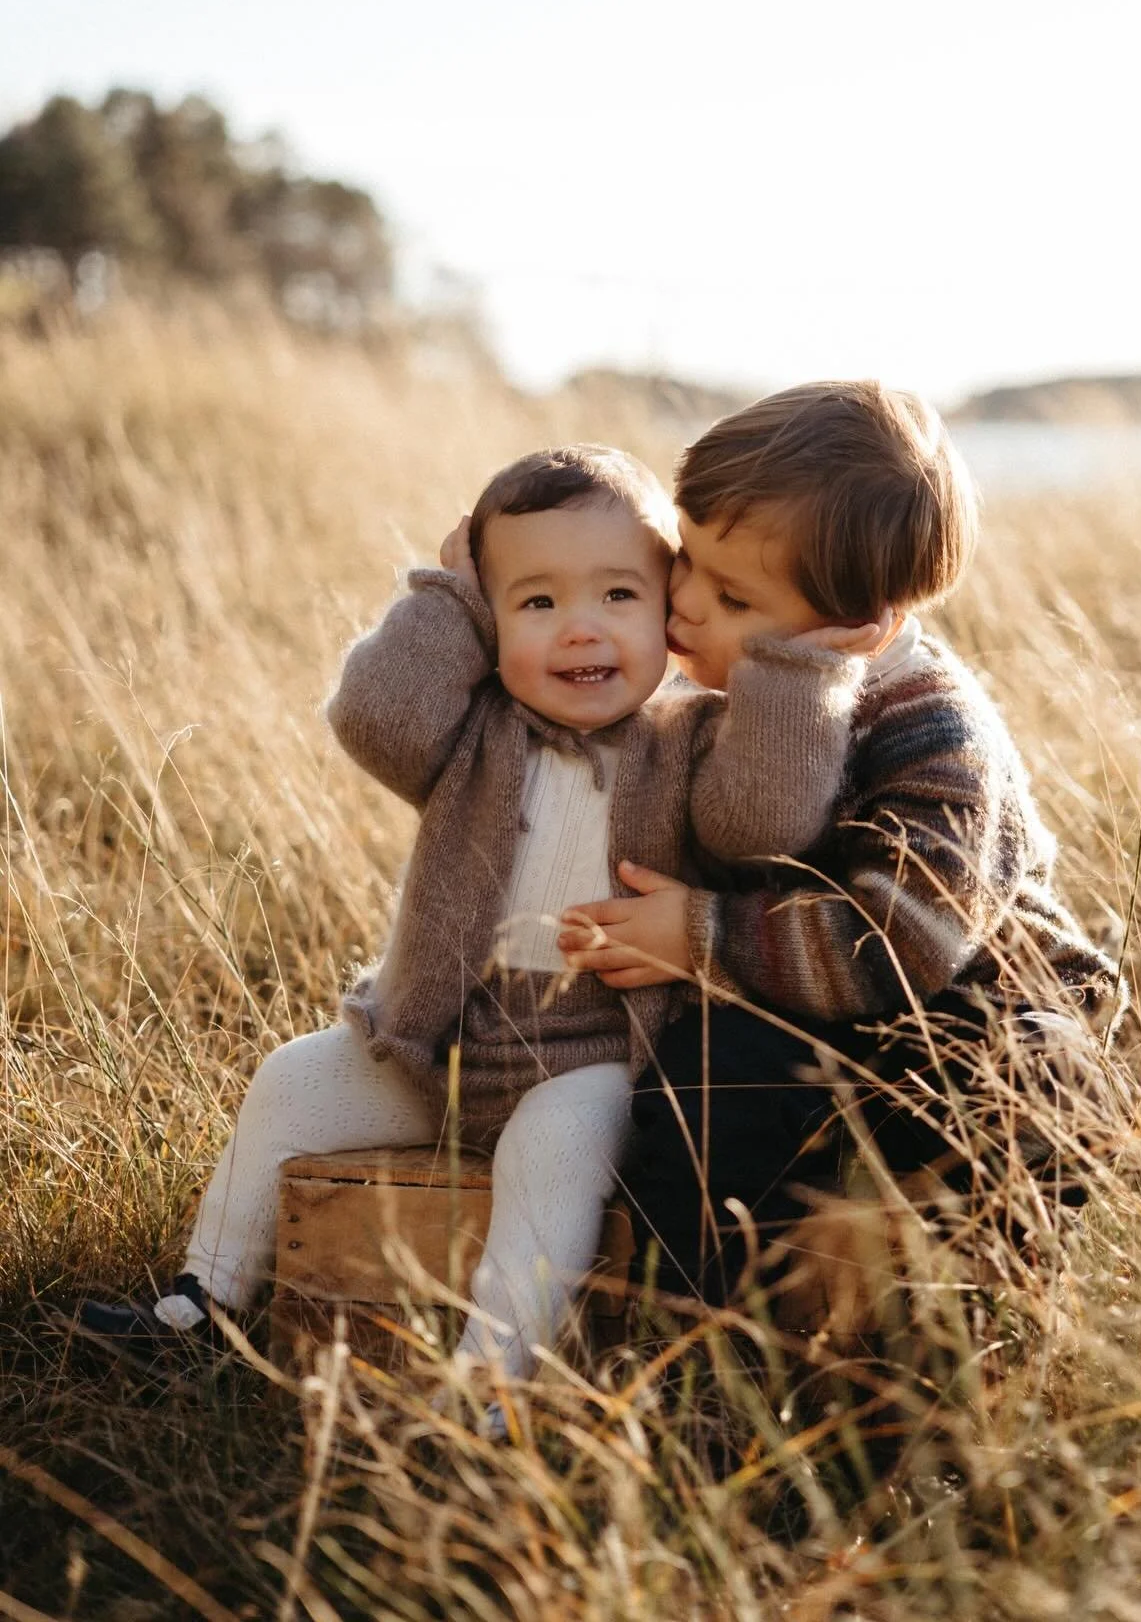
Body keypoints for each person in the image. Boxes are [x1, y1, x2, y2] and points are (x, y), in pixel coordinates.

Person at [79, 444, 883, 1394]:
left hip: (592, 1067)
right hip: (441, 1051)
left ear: (670, 609)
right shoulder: (475, 731)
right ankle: (203, 1305)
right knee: (293, 1083)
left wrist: (788, 676)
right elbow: (373, 713)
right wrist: (450, 590)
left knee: (549, 1157)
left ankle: (489, 1390)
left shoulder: (691, 739)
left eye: (618, 596)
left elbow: (765, 823)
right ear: (489, 619)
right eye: (536, 602)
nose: (579, 630)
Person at [555, 383, 1127, 1308]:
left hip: (964, 1006)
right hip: (803, 1013)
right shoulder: (706, 698)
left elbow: (902, 948)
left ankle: (957, 1334)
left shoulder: (932, 728)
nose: (686, 606)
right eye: (685, 561)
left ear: (862, 630)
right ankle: (702, 1345)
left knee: (1041, 1085)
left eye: (734, 596)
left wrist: (699, 936)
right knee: (703, 1087)